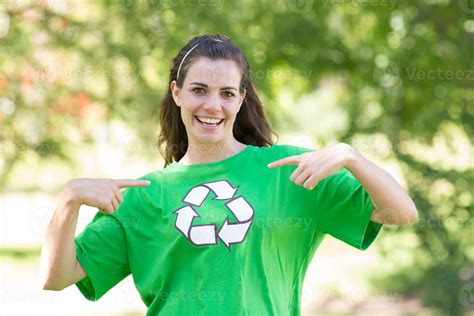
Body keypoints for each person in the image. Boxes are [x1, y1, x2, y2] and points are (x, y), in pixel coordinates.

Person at [39, 34, 419, 315]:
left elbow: (401, 213)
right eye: (199, 90)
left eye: (226, 93)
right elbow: (56, 278)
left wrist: (350, 157)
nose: (212, 105)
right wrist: (69, 198)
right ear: (177, 93)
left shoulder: (290, 172)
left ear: (240, 98)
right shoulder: (142, 194)